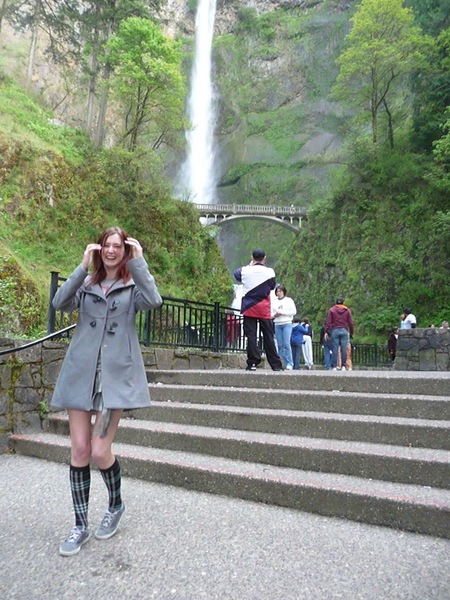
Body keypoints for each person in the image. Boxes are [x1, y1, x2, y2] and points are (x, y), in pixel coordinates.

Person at [51, 226, 162, 556]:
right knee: (80, 451)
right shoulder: (86, 285)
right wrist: (82, 266)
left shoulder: (133, 287)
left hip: (113, 381)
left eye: (118, 246)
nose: (112, 250)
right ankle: (80, 525)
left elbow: (154, 300)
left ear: (125, 250)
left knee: (100, 452)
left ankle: (115, 505)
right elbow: (59, 303)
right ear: (98, 249)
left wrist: (140, 263)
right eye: (106, 245)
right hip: (81, 375)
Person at [233, 249, 283, 371]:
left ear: (252, 258)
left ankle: (252, 363)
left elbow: (236, 273)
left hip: (249, 308)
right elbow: (272, 286)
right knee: (268, 336)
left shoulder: (245, 271)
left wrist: (249, 265)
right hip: (264, 308)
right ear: (264, 258)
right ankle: (276, 365)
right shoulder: (270, 272)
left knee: (251, 336)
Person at [324, 297, 354, 371]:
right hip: (344, 330)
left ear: (336, 303)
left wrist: (326, 331)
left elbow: (328, 322)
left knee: (335, 348)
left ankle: (334, 366)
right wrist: (351, 332)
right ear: (343, 303)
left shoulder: (332, 310)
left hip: (335, 330)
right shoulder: (347, 310)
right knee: (344, 349)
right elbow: (350, 323)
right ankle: (343, 366)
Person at [272, 284, 297, 369]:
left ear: (284, 292)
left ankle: (290, 363)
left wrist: (283, 313)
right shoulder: (274, 302)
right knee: (280, 344)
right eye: (277, 291)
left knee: (286, 343)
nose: (279, 293)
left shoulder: (289, 300)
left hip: (287, 323)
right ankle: (281, 362)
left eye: (280, 291)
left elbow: (294, 311)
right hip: (277, 324)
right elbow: (270, 314)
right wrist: (275, 315)